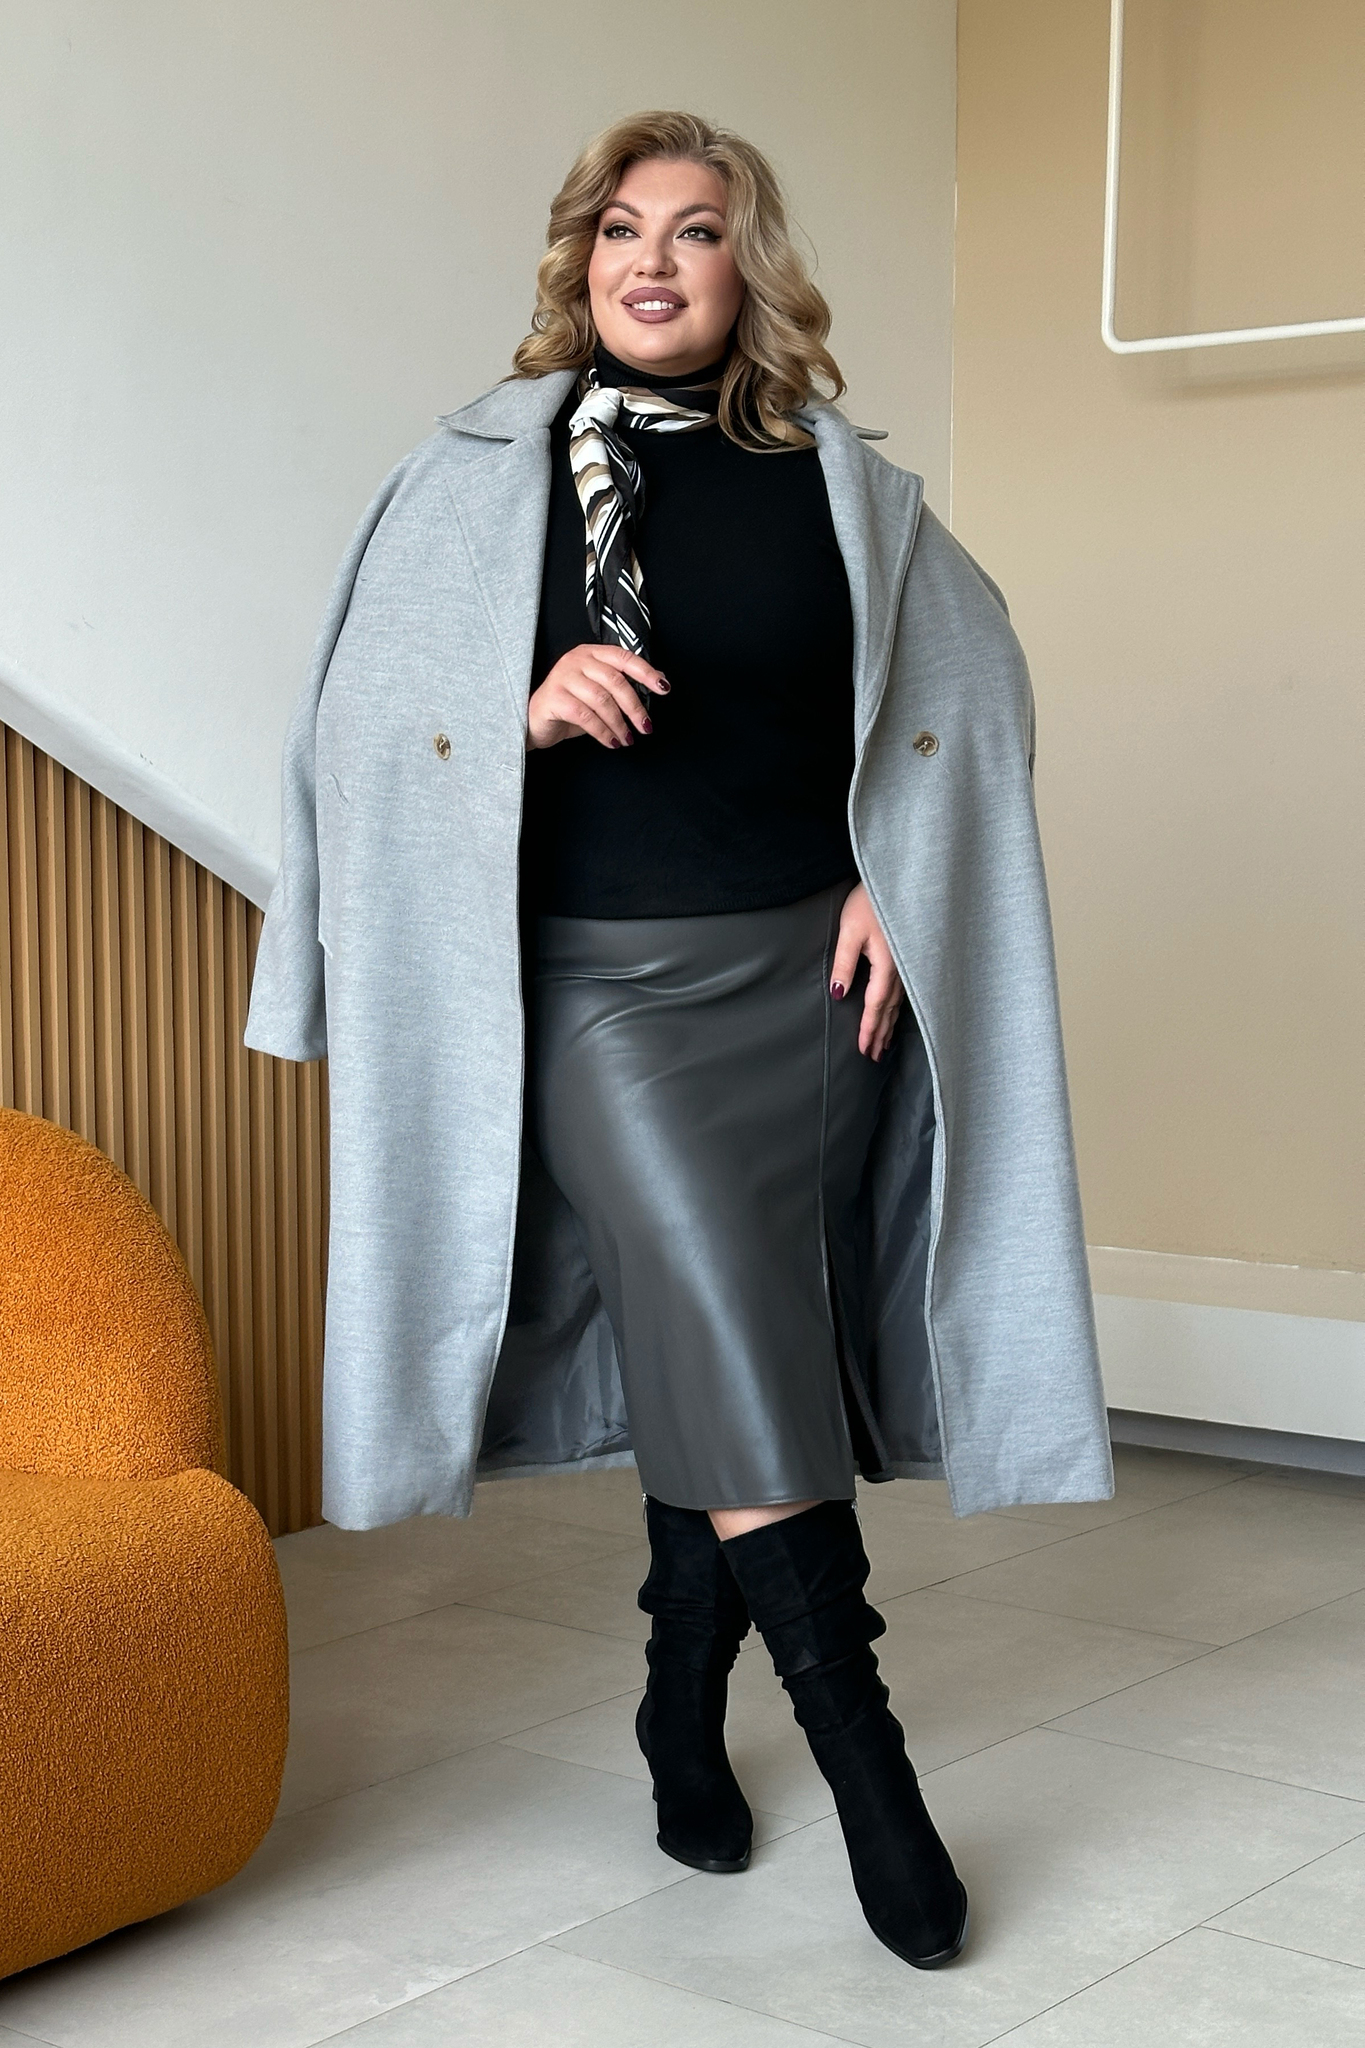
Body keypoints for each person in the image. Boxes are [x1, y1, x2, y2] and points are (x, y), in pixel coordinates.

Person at [245, 109, 1113, 1973]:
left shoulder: (834, 481)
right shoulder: (474, 477)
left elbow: (965, 695)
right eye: (620, 229)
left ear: (745, 267)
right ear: (579, 262)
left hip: (808, 981)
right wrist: (517, 702)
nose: (652, 260)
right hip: (596, 992)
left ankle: (673, 1703)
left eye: (696, 230)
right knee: (724, 1318)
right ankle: (869, 1766)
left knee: (724, 1346)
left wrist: (901, 883)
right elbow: (351, 733)